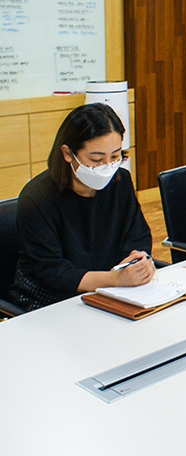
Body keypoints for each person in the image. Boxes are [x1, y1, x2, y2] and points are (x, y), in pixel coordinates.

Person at [10, 103, 155, 311]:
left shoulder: (120, 181)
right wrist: (114, 279)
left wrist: (138, 262)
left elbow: (138, 235)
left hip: (110, 292)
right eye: (96, 159)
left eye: (115, 157)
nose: (108, 167)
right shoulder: (37, 198)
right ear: (68, 154)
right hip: (49, 302)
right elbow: (53, 272)